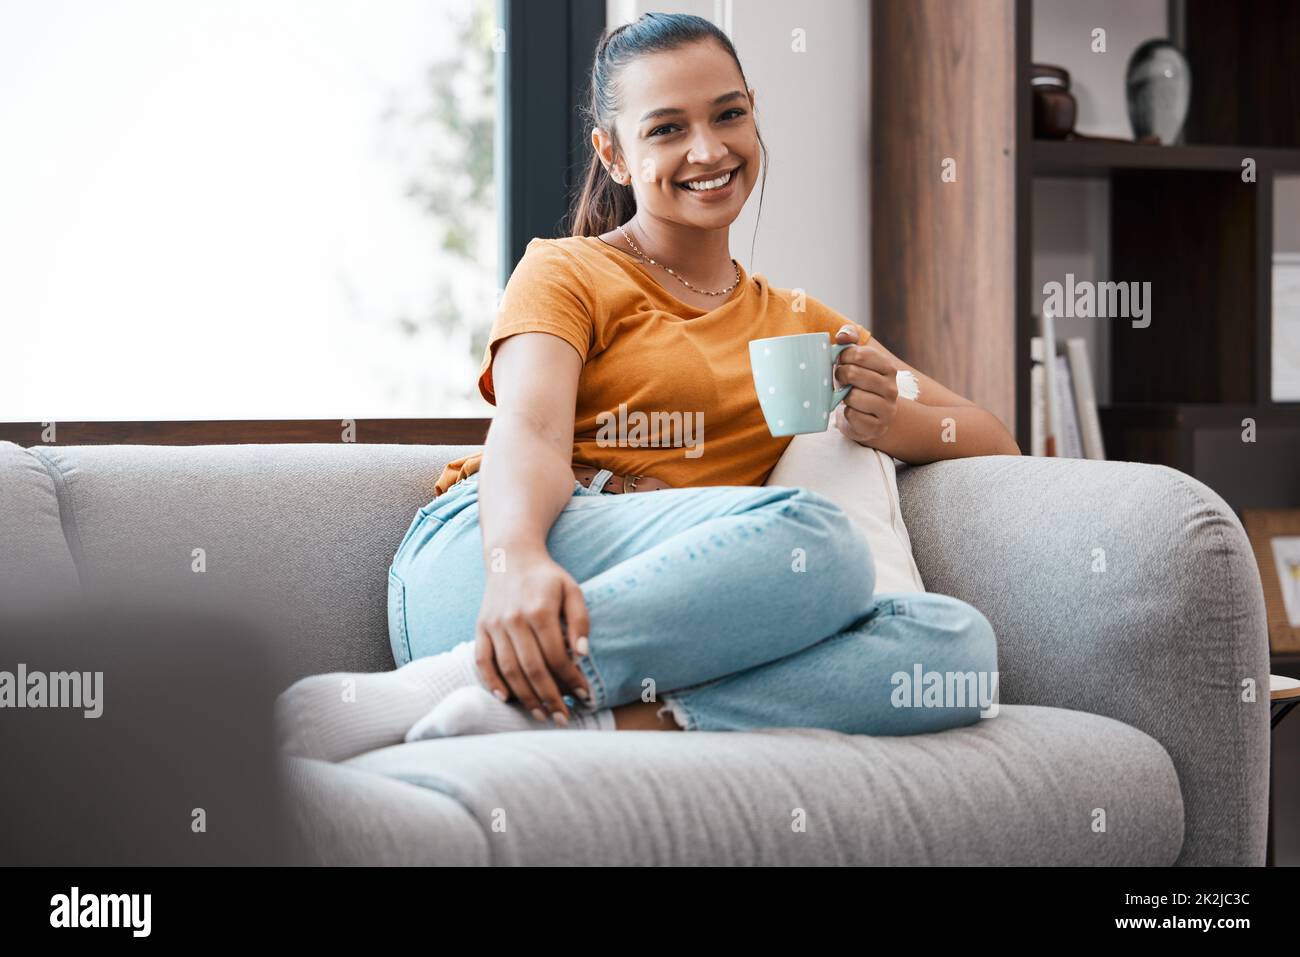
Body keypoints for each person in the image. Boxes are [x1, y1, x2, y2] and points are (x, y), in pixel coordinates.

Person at [275, 12, 1018, 763]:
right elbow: (529, 431)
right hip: (498, 562)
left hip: (668, 616)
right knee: (819, 542)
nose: (708, 149)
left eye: (730, 114)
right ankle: (448, 679)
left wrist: (889, 419)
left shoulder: (798, 322)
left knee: (954, 653)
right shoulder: (567, 270)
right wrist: (519, 561)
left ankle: (574, 721)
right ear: (615, 153)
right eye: (666, 129)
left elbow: (990, 435)